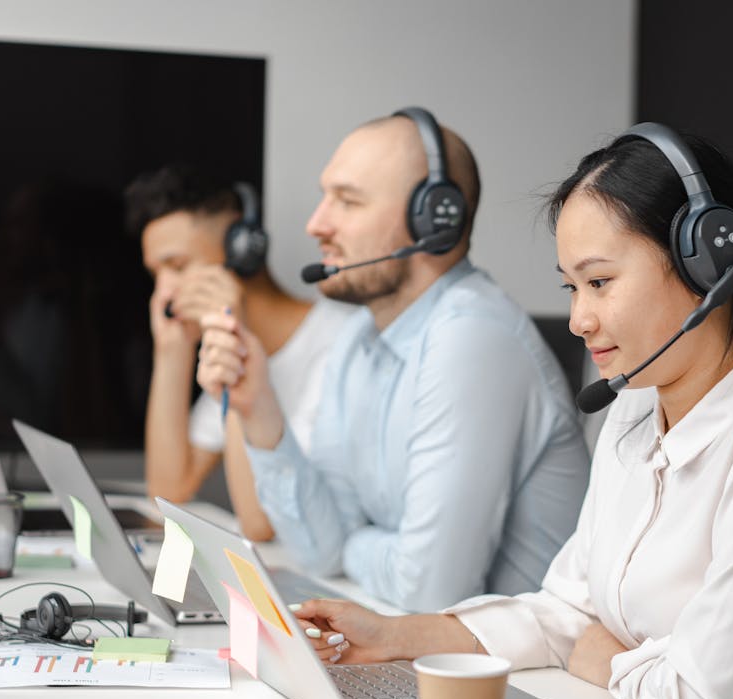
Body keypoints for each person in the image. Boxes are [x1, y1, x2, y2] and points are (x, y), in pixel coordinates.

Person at [287, 124, 733, 699]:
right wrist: (396, 635)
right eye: (571, 288)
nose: (581, 318)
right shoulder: (635, 411)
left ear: (708, 262)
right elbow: (563, 614)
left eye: (600, 281)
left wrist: (599, 651)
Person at [196, 108, 590, 611]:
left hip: (517, 677)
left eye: (348, 200)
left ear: (433, 219)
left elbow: (430, 590)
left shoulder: (473, 337)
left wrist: (356, 543)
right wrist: (259, 409)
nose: (317, 223)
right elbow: (319, 550)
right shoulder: (359, 336)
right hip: (421, 647)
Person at [125, 166, 352, 540]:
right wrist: (171, 351)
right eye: (155, 275)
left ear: (243, 250)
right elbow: (168, 492)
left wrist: (236, 348)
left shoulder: (339, 343)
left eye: (177, 266)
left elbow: (261, 524)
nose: (164, 292)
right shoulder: (216, 356)